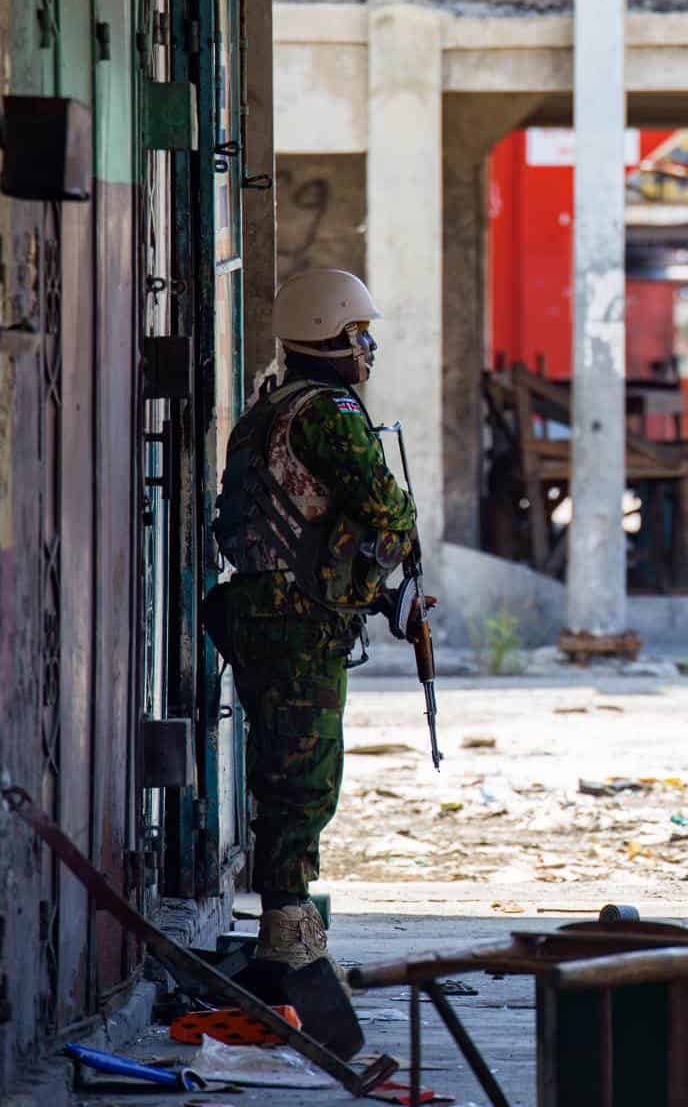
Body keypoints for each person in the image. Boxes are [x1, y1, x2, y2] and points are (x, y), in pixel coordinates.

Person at [209, 268, 418, 970]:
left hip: (256, 609)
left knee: (276, 763)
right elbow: (388, 511)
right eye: (360, 334)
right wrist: (391, 550)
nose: (366, 349)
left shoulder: (268, 409)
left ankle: (283, 916)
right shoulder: (330, 411)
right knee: (306, 772)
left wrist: (373, 588)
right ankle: (288, 933)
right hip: (300, 621)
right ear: (330, 332)